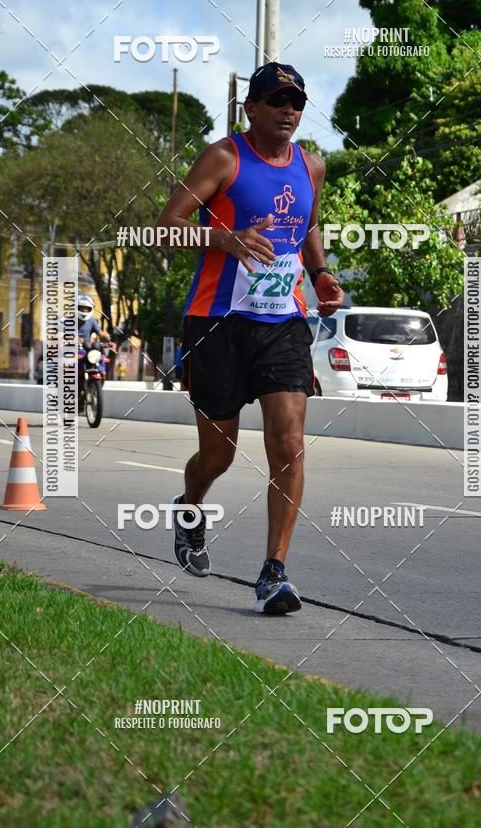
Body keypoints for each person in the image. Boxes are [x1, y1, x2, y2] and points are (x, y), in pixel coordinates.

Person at [156, 62, 344, 614]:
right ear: (252, 109)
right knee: (220, 454)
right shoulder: (225, 157)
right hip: (216, 322)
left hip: (282, 322)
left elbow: (307, 225)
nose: (289, 111)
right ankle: (189, 507)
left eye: (297, 103)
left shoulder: (312, 166)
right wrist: (226, 239)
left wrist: (320, 274)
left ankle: (274, 572)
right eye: (277, 100)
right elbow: (165, 224)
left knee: (288, 443)